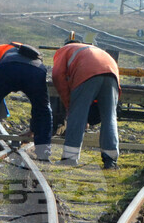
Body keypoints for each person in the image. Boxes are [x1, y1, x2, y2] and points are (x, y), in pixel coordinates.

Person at [51, 38, 121, 168]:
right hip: (112, 72)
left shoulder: (63, 50)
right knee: (109, 117)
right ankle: (110, 160)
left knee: (77, 115)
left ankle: (70, 158)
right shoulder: (90, 49)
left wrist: (68, 104)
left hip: (87, 72)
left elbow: (57, 76)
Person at [0, 44, 52, 161]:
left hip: (8, 69)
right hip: (36, 71)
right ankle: (43, 154)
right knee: (43, 108)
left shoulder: (5, 48)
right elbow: (39, 110)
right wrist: (33, 130)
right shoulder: (34, 55)